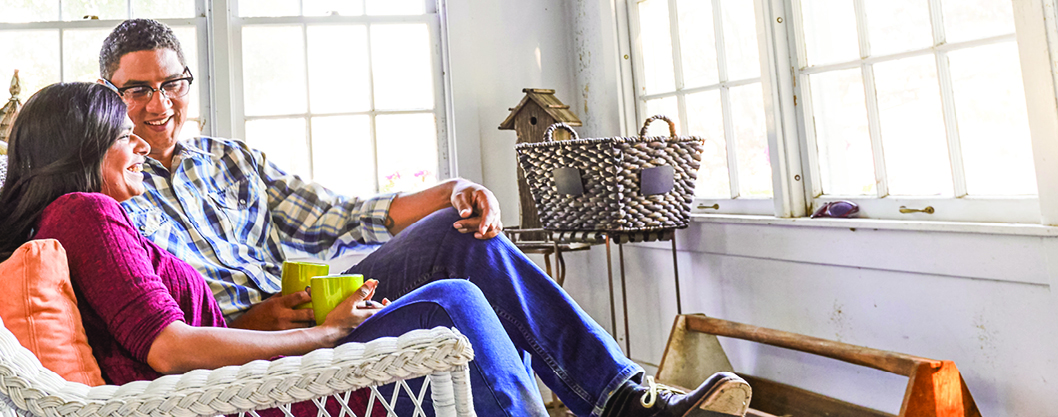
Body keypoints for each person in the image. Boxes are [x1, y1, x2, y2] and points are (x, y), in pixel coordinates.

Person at [96, 19, 752, 417]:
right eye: (139, 89)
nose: (162, 103)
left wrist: (453, 189)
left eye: (173, 83)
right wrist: (251, 316)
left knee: (457, 230)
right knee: (451, 299)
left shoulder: (230, 160)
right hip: (263, 346)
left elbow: (344, 215)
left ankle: (621, 398)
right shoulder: (107, 189)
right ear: (110, 96)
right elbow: (159, 324)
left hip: (321, 313)